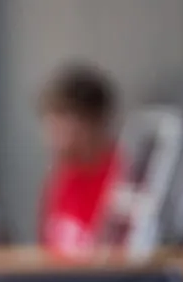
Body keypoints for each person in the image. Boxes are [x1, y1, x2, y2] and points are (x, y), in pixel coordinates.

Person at [37, 62, 120, 257]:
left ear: (91, 121)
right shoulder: (60, 179)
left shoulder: (124, 178)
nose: (51, 133)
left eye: (60, 118)